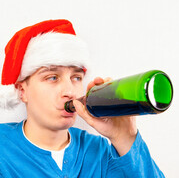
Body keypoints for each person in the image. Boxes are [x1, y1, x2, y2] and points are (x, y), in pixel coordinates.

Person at [0, 19, 165, 178]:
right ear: (22, 91)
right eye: (52, 77)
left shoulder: (100, 151)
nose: (70, 91)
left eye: (76, 77)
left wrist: (125, 137)